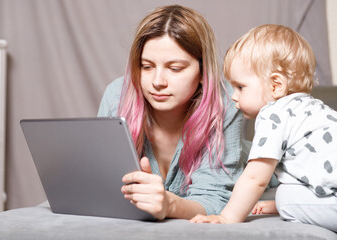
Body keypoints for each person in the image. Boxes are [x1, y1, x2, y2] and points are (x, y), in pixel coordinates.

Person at [97, 4, 246, 220]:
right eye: (146, 66)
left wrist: (170, 204)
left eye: (175, 69)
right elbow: (102, 185)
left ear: (204, 72)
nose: (157, 82)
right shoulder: (116, 96)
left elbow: (215, 199)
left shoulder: (227, 101)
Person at [189, 24, 337, 232]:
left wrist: (226, 217)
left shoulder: (273, 114)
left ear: (276, 85)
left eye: (240, 87)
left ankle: (286, 205)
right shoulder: (313, 109)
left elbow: (255, 177)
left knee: (285, 197)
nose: (233, 96)